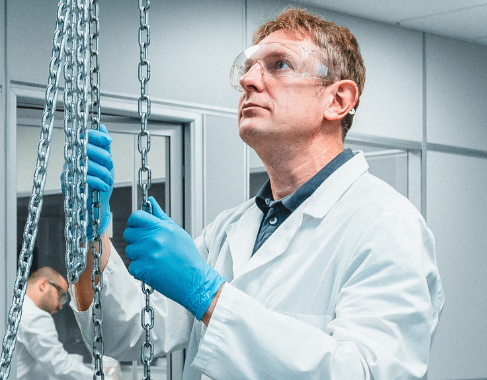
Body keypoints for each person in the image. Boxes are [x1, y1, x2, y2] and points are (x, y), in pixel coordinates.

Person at [70, 7, 443, 380]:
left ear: (338, 100)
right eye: (247, 68)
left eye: (279, 64)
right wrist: (93, 239)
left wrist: (210, 297)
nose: (249, 80)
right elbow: (124, 335)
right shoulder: (231, 228)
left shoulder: (388, 225)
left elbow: (365, 373)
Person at [16, 266, 95, 380]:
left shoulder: (16, 307)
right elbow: (59, 365)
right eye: (61, 295)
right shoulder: (35, 315)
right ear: (43, 285)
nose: (60, 305)